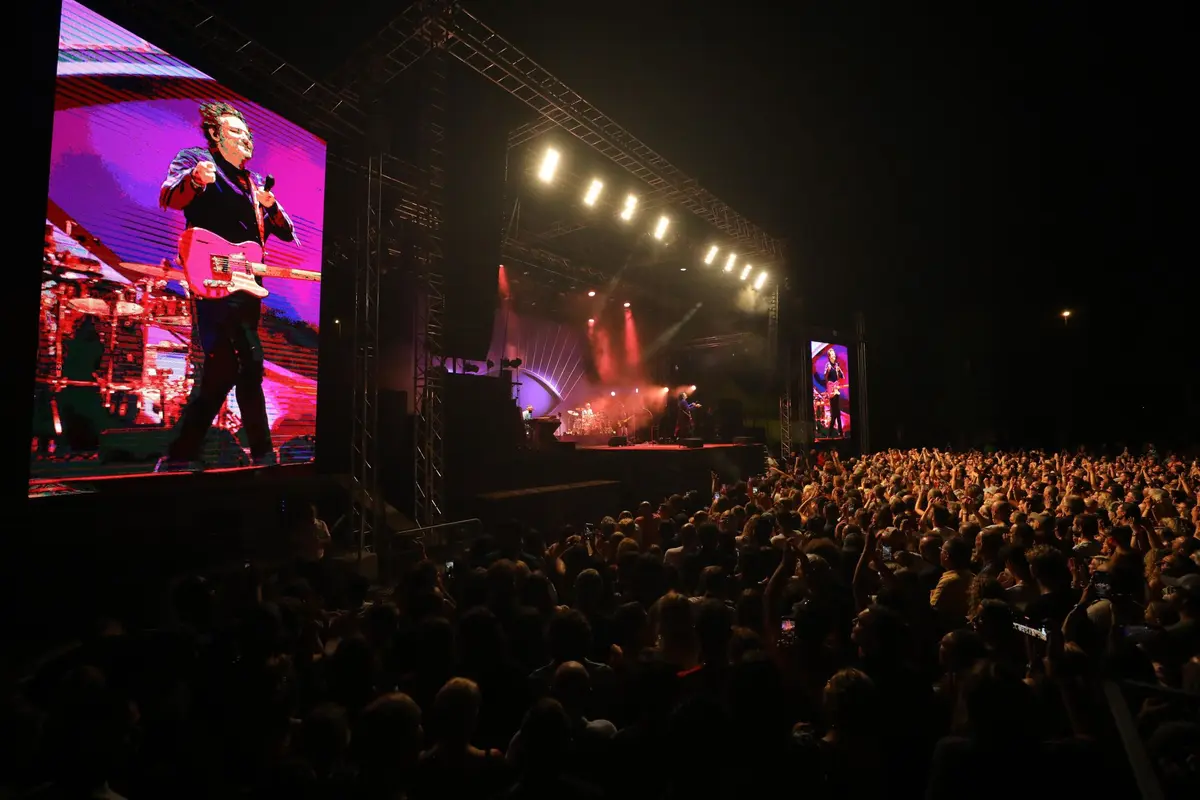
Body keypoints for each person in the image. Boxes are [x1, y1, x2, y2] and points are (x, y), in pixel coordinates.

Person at [156, 101, 296, 471]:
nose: (245, 138)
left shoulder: (253, 184)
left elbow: (286, 233)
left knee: (236, 371)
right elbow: (169, 196)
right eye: (235, 131)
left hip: (247, 286)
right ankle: (258, 454)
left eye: (247, 133)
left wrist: (272, 206)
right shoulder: (197, 160)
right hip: (214, 280)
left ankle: (184, 455)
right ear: (215, 137)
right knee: (242, 366)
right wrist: (195, 179)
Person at [821, 348, 846, 437]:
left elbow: (842, 377)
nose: (834, 356)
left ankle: (833, 433)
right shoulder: (827, 365)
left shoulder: (836, 365)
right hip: (831, 390)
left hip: (836, 389)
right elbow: (825, 376)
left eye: (834, 354)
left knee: (836, 412)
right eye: (832, 355)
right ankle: (838, 433)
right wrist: (827, 370)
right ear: (829, 356)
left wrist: (839, 370)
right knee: (835, 412)